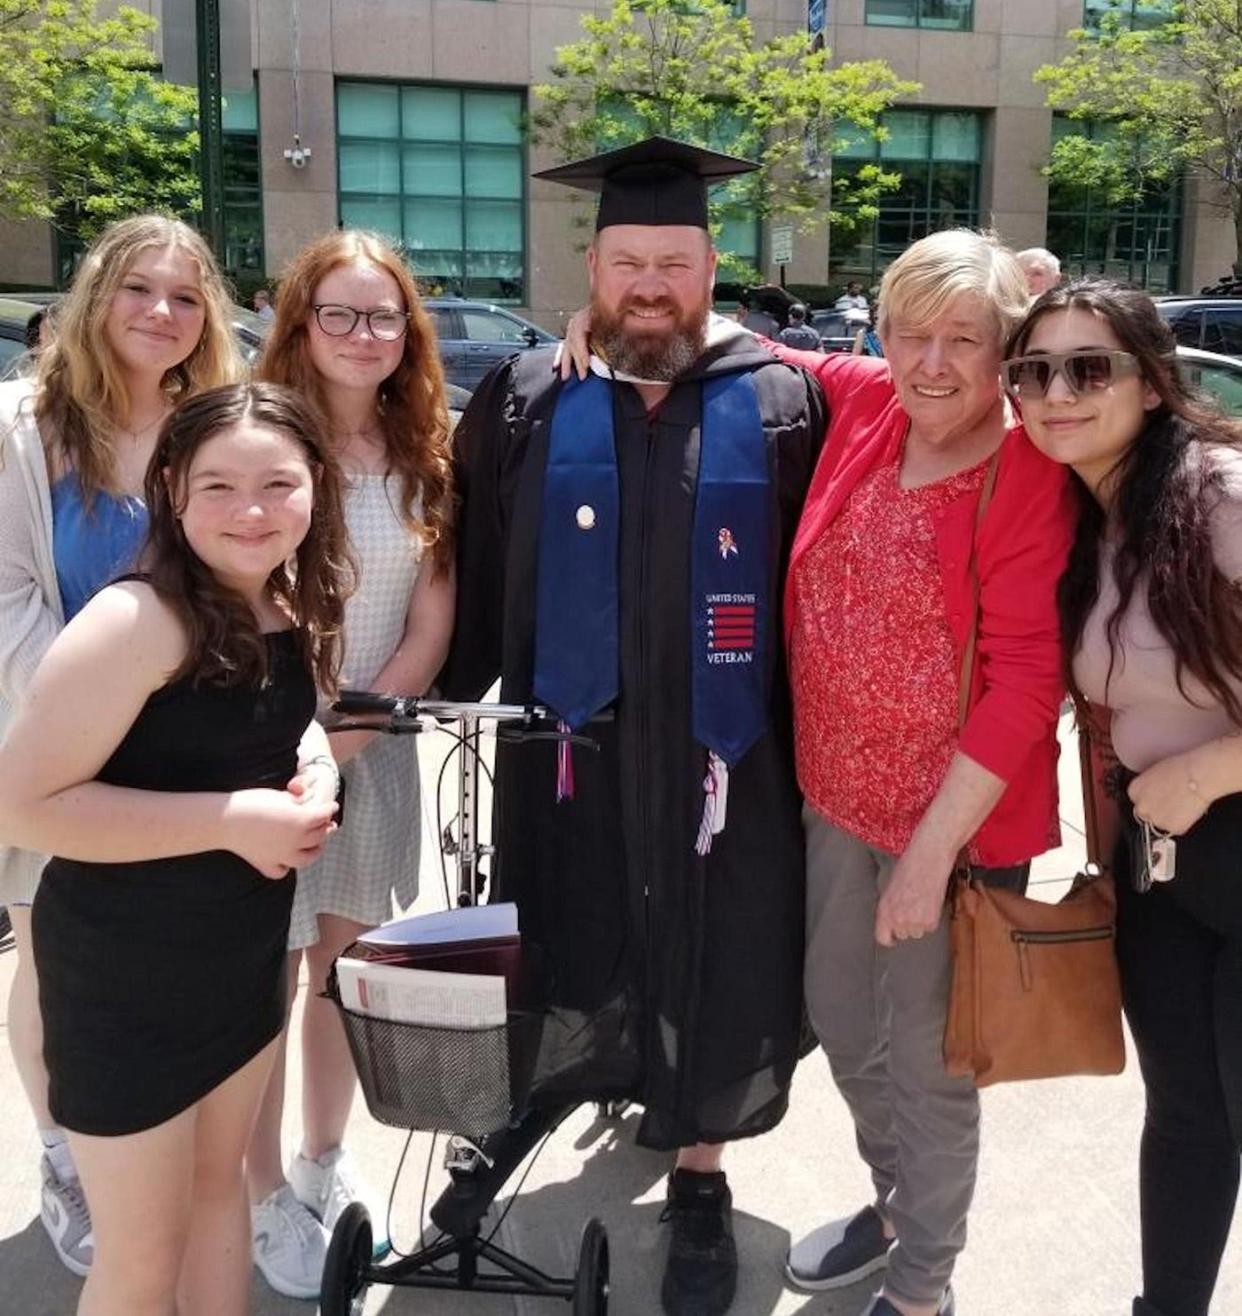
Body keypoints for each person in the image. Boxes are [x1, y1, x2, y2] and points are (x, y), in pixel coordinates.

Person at [448, 135, 826, 1316]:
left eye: (673, 260)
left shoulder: (782, 394)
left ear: (712, 267)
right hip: (571, 742)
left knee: (721, 942)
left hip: (731, 756)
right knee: (571, 914)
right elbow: (472, 561)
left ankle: (699, 1171)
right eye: (627, 262)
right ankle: (544, 1103)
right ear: (593, 267)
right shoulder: (526, 394)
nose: (649, 286)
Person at [0, 380, 352, 1316]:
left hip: (238, 958)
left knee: (217, 1191)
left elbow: (278, 726)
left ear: (316, 483)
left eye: (279, 483)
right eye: (219, 487)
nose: (251, 511)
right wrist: (233, 821)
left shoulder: (283, 599)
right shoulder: (137, 621)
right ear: (171, 487)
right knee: (141, 1261)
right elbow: (23, 807)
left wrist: (315, 767)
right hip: (126, 977)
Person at [772, 231, 1075, 1316]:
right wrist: (601, 327)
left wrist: (928, 858)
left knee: (934, 1069)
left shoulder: (1028, 469)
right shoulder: (867, 408)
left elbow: (1026, 683)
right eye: (912, 332)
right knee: (842, 1018)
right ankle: (898, 1199)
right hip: (835, 796)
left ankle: (921, 1284)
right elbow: (751, 348)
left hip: (957, 830)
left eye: (965, 339)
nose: (932, 361)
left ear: (1006, 354)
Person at [0, 213, 242, 1279]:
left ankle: (144, 1153)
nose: (162, 313)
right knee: (54, 956)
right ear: (97, 295)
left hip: (190, 751)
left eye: (186, 297)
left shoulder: (212, 424)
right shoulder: (24, 428)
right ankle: (63, 1148)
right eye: (139, 289)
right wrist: (101, 703)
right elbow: (7, 594)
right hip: (59, 744)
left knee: (165, 964)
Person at [1002, 279, 1242, 1316]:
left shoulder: (1218, 494)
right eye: (1034, 370)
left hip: (1224, 823)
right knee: (1186, 1112)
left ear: (1151, 384)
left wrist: (1218, 766)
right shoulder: (1086, 512)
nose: (1058, 391)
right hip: (1162, 864)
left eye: (1087, 367)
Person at [246, 229, 456, 1299]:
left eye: (384, 315)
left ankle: (324, 1158)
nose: (363, 334)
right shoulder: (255, 435)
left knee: (339, 970)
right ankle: (261, 1184)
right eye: (340, 312)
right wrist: (300, 743)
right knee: (258, 978)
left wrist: (354, 734)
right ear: (300, 322)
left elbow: (430, 618)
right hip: (257, 753)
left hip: (370, 751)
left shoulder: (427, 451)